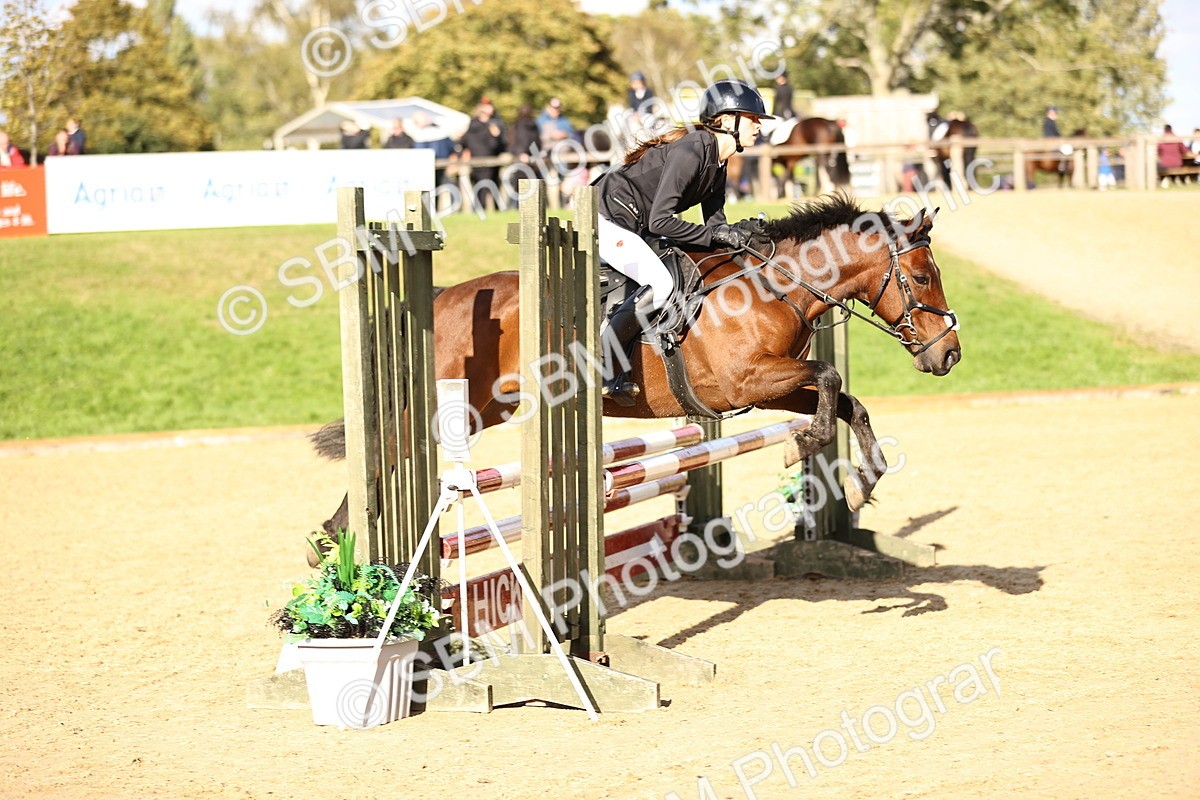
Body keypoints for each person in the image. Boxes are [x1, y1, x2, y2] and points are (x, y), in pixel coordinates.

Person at [591, 78, 772, 402]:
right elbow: (663, 219)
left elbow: (716, 224)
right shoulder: (692, 150)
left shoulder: (718, 160)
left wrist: (743, 239)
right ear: (728, 120)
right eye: (753, 118)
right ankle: (605, 367)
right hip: (607, 220)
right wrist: (715, 234)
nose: (758, 126)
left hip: (638, 225)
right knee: (660, 283)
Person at [459, 98, 507, 211]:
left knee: (492, 186)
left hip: (492, 161)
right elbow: (465, 142)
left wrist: (496, 136)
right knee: (481, 187)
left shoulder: (496, 123)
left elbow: (501, 144)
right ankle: (480, 209)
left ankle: (492, 209)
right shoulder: (474, 124)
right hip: (478, 160)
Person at [1042, 105, 1070, 173]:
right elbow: (1055, 133)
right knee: (1064, 150)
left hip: (1051, 139)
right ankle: (1062, 165)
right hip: (1052, 140)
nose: (1054, 115)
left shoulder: (1048, 121)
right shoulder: (1049, 122)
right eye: (1053, 113)